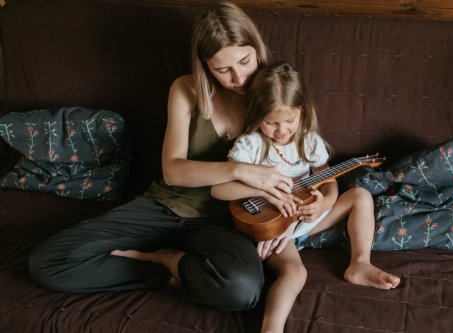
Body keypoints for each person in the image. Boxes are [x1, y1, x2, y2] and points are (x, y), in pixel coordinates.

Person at [29, 1, 294, 312]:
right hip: (163, 206)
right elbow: (174, 171)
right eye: (223, 69)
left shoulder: (276, 96)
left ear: (257, 50)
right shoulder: (186, 89)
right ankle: (168, 272)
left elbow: (311, 163)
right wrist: (238, 170)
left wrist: (307, 211)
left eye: (245, 61)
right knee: (48, 262)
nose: (239, 78)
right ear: (205, 66)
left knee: (241, 291)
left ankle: (173, 260)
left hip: (223, 221)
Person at [212, 61, 401, 332]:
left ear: (302, 111)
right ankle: (271, 329)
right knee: (296, 273)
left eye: (290, 121)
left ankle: (360, 264)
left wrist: (325, 201)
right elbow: (219, 189)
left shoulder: (308, 141)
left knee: (360, 196)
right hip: (272, 228)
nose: (282, 130)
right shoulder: (251, 145)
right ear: (256, 115)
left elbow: (328, 180)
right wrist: (264, 188)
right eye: (271, 122)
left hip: (304, 222)